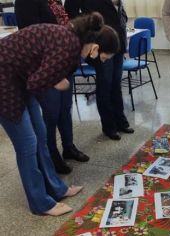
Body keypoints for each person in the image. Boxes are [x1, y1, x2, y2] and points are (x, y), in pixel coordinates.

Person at [0, 13, 119, 216]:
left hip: (18, 78)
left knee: (40, 135)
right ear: (95, 48)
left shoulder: (73, 40)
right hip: (5, 83)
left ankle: (56, 188)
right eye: (103, 58)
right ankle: (41, 204)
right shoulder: (69, 46)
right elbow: (35, 83)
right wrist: (57, 81)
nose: (101, 62)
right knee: (28, 145)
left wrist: (54, 77)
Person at [15, 0, 90, 175]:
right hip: (46, 68)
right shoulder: (26, 3)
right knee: (51, 113)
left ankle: (68, 147)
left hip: (63, 61)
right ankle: (52, 155)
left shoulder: (54, 1)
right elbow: (29, 38)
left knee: (65, 108)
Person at [65, 0, 134, 140]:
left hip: (117, 41)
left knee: (116, 84)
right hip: (100, 42)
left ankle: (121, 121)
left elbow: (119, 10)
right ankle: (109, 126)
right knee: (105, 85)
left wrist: (122, 20)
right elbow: (71, 11)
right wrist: (90, 34)